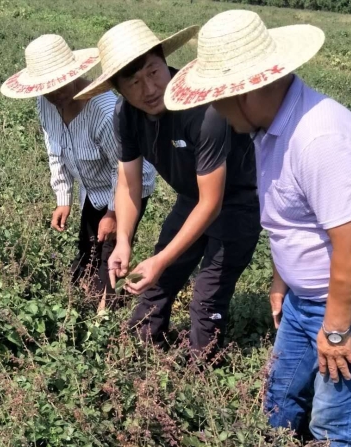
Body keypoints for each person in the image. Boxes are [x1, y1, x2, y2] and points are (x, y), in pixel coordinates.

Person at [165, 10, 351, 447]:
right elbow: (292, 216)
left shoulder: (319, 138)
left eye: (218, 100)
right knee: (278, 395)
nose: (214, 110)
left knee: (331, 420)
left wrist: (335, 332)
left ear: (248, 91)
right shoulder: (266, 127)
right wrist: (284, 280)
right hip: (308, 292)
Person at [75, 20, 261, 352]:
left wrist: (160, 259)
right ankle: (140, 356)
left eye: (152, 72)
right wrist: (123, 242)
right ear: (119, 90)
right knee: (156, 284)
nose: (148, 89)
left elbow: (212, 203)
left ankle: (201, 371)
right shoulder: (125, 115)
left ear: (165, 62)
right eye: (133, 82)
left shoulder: (204, 111)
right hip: (191, 198)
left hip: (236, 204)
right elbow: (129, 184)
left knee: (207, 297)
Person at [1, 34, 155, 302]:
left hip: (128, 188)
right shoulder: (47, 103)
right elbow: (55, 148)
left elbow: (127, 173)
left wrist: (113, 212)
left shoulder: (105, 113)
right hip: (92, 188)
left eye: (59, 86)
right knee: (87, 248)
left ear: (74, 73)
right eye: (45, 89)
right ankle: (85, 293)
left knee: (110, 254)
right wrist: (63, 197)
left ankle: (105, 312)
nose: (53, 95)